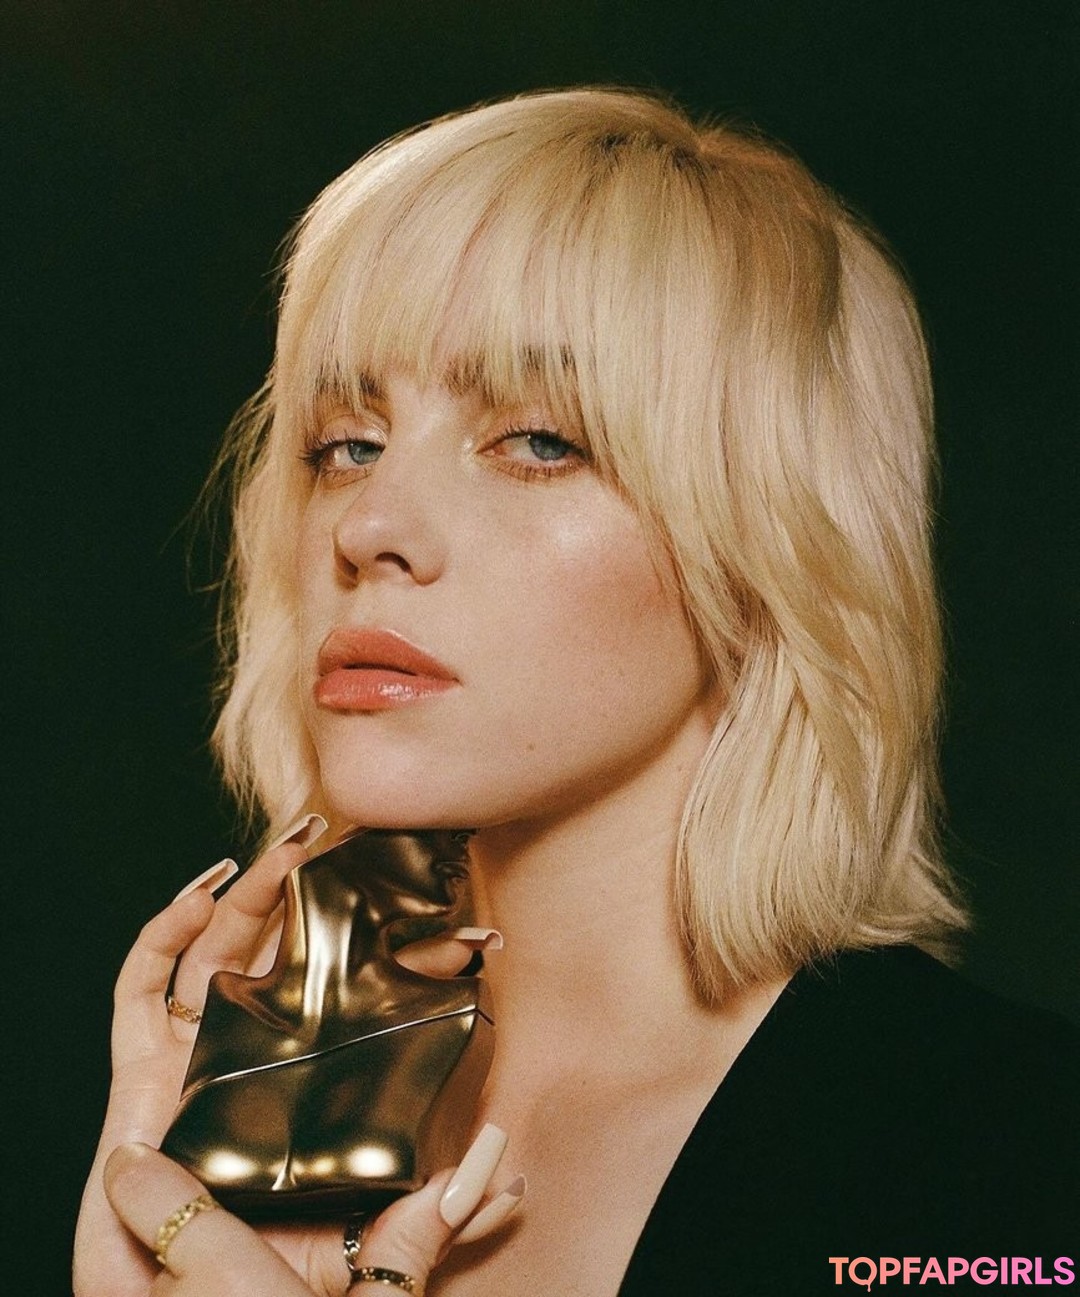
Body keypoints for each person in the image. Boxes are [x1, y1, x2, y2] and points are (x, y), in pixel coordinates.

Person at [73, 87, 1078, 1297]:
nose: (370, 523)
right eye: (346, 443)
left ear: (771, 549)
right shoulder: (257, 1126)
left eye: (541, 440)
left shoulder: (1015, 1162)